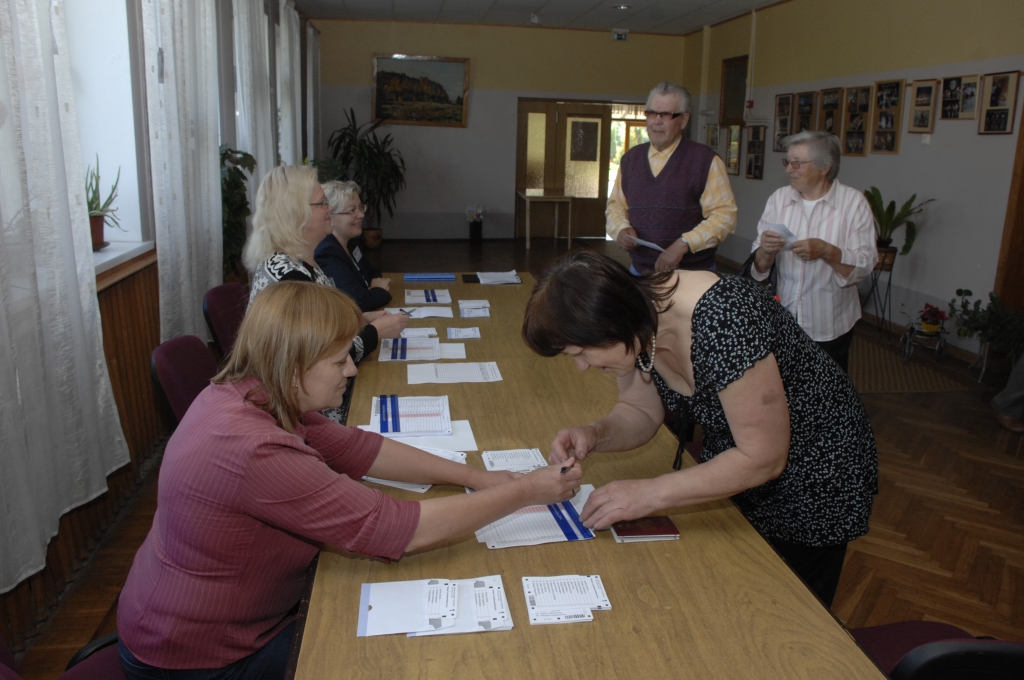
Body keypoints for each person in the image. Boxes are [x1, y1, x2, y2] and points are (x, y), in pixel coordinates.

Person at [118, 282, 582, 680]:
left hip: (221, 620)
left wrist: (476, 477)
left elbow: (361, 449)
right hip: (201, 658)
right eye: (340, 360)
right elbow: (402, 529)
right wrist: (524, 491)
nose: (352, 370)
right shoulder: (256, 449)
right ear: (294, 365)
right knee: (402, 659)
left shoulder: (259, 392)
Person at [522, 251, 878, 607]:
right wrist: (595, 433)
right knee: (740, 592)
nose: (582, 366)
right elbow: (640, 410)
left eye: (581, 352)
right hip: (738, 463)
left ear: (608, 321)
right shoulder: (636, 323)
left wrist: (649, 494)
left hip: (817, 467)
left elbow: (764, 457)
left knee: (794, 606)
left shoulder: (724, 317)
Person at [241, 165, 407, 372]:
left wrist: (361, 320)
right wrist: (375, 332)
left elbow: (323, 331)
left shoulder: (300, 262)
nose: (329, 209)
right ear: (296, 213)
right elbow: (324, 359)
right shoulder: (290, 278)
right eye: (322, 203)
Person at [750, 131, 877, 373]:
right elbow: (759, 268)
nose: (789, 169)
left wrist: (827, 251)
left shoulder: (853, 204)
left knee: (826, 390)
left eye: (797, 163)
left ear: (825, 167)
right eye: (787, 161)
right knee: (783, 387)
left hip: (829, 324)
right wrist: (766, 251)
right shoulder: (779, 199)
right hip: (783, 319)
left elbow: (864, 265)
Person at [607, 81, 737, 274]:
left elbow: (724, 216)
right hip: (641, 272)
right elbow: (616, 206)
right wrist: (621, 229)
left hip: (693, 274)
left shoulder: (705, 160)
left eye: (666, 114)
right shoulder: (630, 159)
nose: (656, 121)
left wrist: (683, 244)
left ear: (684, 120)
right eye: (652, 113)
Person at [315, 180, 393, 312]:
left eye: (361, 208)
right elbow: (357, 303)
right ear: (329, 216)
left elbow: (373, 272)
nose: (361, 215)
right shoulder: (326, 253)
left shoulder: (352, 243)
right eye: (351, 211)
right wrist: (378, 290)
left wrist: (372, 292)